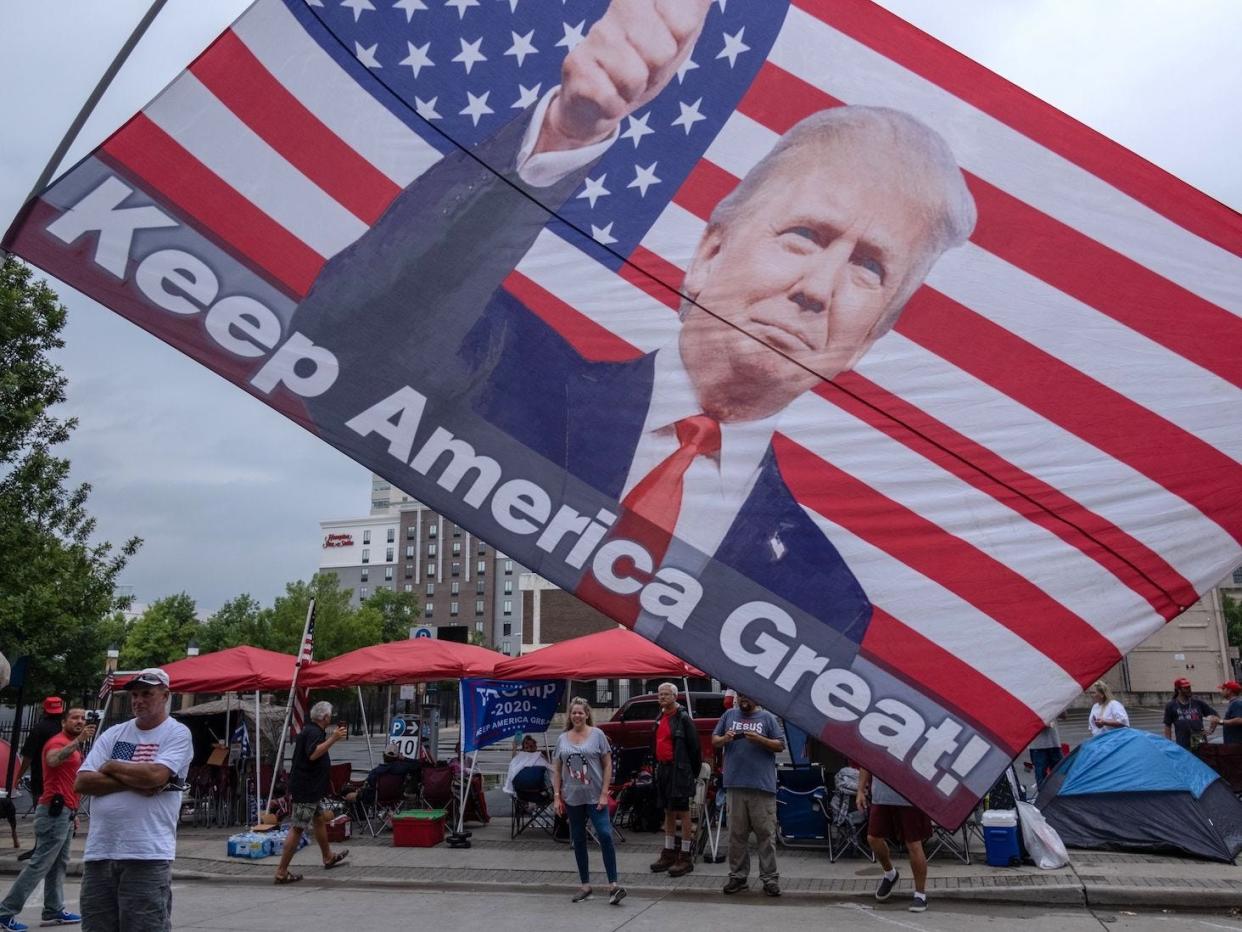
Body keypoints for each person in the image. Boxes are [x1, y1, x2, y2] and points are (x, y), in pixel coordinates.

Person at [292, 0, 976, 647]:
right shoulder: (502, 363)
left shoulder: (823, 600)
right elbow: (341, 347)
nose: (818, 290)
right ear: (708, 253)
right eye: (804, 234)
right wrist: (565, 133)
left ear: (871, 338)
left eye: (869, 269)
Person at [74, 668, 193, 932]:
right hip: (100, 852)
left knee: (144, 926)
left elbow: (156, 775)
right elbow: (82, 782)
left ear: (165, 695)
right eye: (135, 695)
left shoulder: (177, 734)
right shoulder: (114, 734)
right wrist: (138, 780)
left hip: (146, 853)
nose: (138, 700)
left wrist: (110, 766)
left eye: (147, 694)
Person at [0, 707, 95, 931]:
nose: (80, 722)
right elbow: (52, 761)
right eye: (74, 718)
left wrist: (73, 813)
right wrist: (78, 741)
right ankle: (5, 912)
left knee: (59, 863)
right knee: (40, 863)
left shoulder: (73, 746)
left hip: (64, 812)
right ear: (64, 722)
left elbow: (70, 780)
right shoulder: (57, 742)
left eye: (82, 718)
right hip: (53, 811)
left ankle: (53, 909)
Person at [552, 698, 625, 906]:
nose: (577, 716)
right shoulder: (562, 738)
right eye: (574, 713)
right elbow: (557, 769)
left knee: (604, 834)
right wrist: (557, 796)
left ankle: (613, 884)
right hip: (573, 797)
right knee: (578, 839)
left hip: (595, 796)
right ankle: (585, 884)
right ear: (570, 715)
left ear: (587, 714)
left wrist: (605, 792)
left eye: (580, 713)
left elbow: (608, 763)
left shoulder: (597, 735)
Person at [711, 693, 785, 897]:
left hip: (762, 787)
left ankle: (769, 879)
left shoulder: (767, 718)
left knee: (765, 835)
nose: (744, 700)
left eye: (748, 697)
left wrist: (760, 740)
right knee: (736, 835)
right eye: (741, 696)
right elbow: (714, 740)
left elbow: (780, 745)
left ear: (756, 699)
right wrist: (725, 738)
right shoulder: (728, 715)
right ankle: (737, 877)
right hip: (735, 785)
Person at [273, 701, 349, 884]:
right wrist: (333, 739)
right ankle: (282, 871)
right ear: (325, 717)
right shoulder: (313, 732)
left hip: (311, 788)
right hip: (306, 789)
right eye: (330, 715)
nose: (331, 718)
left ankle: (328, 856)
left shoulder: (312, 731)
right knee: (298, 827)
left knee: (319, 819)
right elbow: (313, 754)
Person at [857, 767, 932, 913]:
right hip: (882, 796)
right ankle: (890, 874)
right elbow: (866, 759)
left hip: (910, 796)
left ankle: (920, 895)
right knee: (873, 838)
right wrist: (860, 790)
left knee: (913, 843)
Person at [648, 683, 702, 878]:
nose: (662, 697)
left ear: (675, 696)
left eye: (666, 694)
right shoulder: (660, 717)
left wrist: (691, 774)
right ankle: (669, 851)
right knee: (668, 811)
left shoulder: (683, 719)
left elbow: (695, 749)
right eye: (660, 694)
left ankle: (685, 854)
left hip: (679, 770)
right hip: (663, 769)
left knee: (683, 812)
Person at [15, 698, 66, 813]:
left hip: (41, 778)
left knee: (42, 813)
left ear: (45, 710)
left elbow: (28, 756)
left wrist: (18, 776)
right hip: (64, 779)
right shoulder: (67, 729)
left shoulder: (38, 728)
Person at [1163, 678, 1220, 750]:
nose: (1189, 689)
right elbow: (1167, 726)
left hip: (1198, 738)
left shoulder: (1197, 703)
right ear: (1178, 689)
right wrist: (1168, 744)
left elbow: (1215, 715)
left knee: (1200, 757)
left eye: (1189, 687)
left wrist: (1211, 730)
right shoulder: (1171, 705)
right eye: (1186, 688)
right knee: (1186, 759)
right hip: (1182, 741)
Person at [1027, 715, 1066, 790]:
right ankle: (1043, 799)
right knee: (1041, 776)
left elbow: (1064, 716)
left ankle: (1059, 797)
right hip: (1037, 745)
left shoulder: (1051, 703)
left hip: (1054, 743)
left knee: (1060, 773)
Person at [1220, 681, 1242, 745]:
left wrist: (1220, 721)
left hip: (1236, 743)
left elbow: (1239, 720)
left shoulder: (1236, 703)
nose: (1221, 691)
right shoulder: (1234, 702)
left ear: (1229, 691)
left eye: (1223, 689)